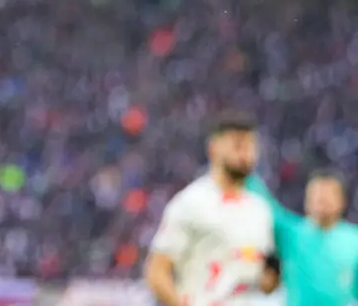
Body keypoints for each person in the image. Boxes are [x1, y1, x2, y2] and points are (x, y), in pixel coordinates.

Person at [145, 113, 280, 306]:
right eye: (237, 145)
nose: (245, 154)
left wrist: (270, 281)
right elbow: (157, 272)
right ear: (213, 148)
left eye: (251, 147)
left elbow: (263, 279)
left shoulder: (260, 209)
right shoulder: (191, 203)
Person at [245, 168, 358, 306]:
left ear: (342, 200)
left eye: (328, 194)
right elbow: (266, 203)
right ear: (306, 199)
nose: (321, 199)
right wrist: (246, 174)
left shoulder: (354, 240)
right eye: (316, 193)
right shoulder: (291, 234)